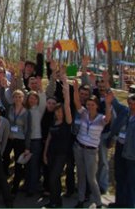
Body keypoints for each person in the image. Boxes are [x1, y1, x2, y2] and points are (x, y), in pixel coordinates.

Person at [72, 79, 113, 208]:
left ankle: (98, 202)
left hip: (91, 151)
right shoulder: (84, 113)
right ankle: (80, 200)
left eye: (92, 105)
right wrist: (75, 89)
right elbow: (77, 102)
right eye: (88, 104)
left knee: (91, 178)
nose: (90, 107)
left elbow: (108, 118)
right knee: (80, 175)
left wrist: (108, 103)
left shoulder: (101, 118)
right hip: (79, 147)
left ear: (97, 105)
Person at [43, 75, 72, 208]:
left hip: (61, 154)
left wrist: (66, 88)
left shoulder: (67, 122)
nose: (58, 113)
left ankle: (55, 201)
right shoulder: (54, 122)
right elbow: (49, 138)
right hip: (51, 153)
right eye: (57, 111)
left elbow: (67, 105)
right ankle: (55, 201)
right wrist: (45, 153)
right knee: (52, 178)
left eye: (60, 111)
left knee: (54, 177)